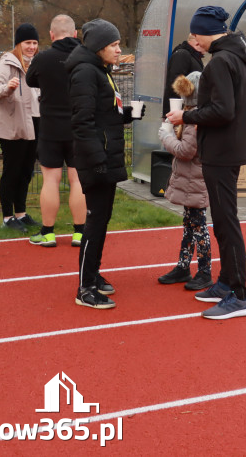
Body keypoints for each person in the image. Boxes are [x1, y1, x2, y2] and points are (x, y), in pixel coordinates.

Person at [167, 6, 246, 320]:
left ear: (201, 32)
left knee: (226, 223)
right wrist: (238, 124)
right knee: (225, 219)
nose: (194, 39)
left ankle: (239, 294)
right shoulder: (243, 57)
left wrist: (186, 115)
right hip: (233, 149)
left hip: (220, 152)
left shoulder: (220, 62)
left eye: (195, 33)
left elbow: (222, 111)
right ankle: (225, 282)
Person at [68, 19, 145, 309]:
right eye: (113, 44)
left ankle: (93, 274)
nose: (118, 49)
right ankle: (85, 288)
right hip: (96, 159)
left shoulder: (101, 70)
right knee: (95, 222)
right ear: (99, 46)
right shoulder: (85, 73)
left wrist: (125, 115)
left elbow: (103, 113)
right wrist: (97, 159)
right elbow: (82, 123)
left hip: (104, 156)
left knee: (101, 220)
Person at [25, 14, 86, 248]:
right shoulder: (85, 57)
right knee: (77, 179)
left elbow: (31, 81)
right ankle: (80, 233)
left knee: (50, 179)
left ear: (51, 35)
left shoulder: (43, 58)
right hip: (77, 126)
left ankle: (48, 233)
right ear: (75, 34)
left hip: (50, 127)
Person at [157, 71, 213, 291]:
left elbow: (187, 151)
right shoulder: (197, 115)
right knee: (190, 224)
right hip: (194, 179)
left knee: (198, 226)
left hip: (195, 180)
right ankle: (183, 266)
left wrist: (166, 137)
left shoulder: (194, 119)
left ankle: (204, 270)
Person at [0, 22, 41, 232]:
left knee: (27, 171)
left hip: (34, 121)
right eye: (28, 42)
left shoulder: (36, 63)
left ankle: (21, 213)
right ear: (19, 43)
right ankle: (7, 217)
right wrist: (7, 88)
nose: (32, 47)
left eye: (35, 42)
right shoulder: (7, 63)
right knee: (12, 170)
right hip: (12, 124)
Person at [162, 33, 205, 116]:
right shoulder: (182, 54)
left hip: (185, 109)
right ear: (198, 42)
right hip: (178, 109)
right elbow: (175, 83)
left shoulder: (194, 56)